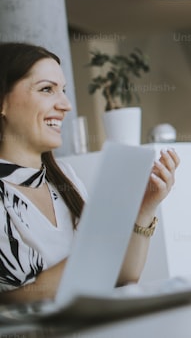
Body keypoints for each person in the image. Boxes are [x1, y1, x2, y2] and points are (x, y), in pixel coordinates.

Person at [0, 42, 179, 302]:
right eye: (47, 89)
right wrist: (101, 243)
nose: (66, 105)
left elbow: (123, 277)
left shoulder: (66, 176)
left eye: (63, 91)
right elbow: (18, 302)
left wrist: (145, 209)